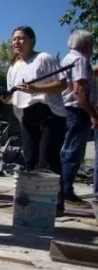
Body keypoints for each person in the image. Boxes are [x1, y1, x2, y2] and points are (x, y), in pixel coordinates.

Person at [0, 26, 68, 214]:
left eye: (21, 38)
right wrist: (6, 98)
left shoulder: (44, 58)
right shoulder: (13, 66)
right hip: (26, 114)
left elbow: (62, 84)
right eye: (14, 39)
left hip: (49, 113)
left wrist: (37, 89)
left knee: (48, 159)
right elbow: (12, 94)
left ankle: (55, 204)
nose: (17, 42)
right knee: (30, 158)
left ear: (32, 40)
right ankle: (36, 202)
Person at [60, 31, 98, 205]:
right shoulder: (80, 60)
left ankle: (64, 189)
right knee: (73, 152)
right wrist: (93, 114)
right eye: (92, 44)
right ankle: (65, 191)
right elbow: (80, 90)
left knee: (68, 149)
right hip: (77, 110)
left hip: (68, 109)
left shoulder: (69, 58)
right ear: (86, 45)